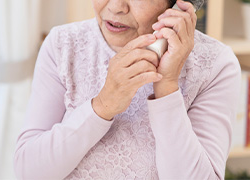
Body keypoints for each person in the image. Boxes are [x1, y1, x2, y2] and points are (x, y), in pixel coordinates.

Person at [14, 0, 241, 179]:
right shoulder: (63, 44)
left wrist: (167, 86)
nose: (115, 7)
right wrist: (103, 105)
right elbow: (28, 171)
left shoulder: (215, 65)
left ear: (178, 6)